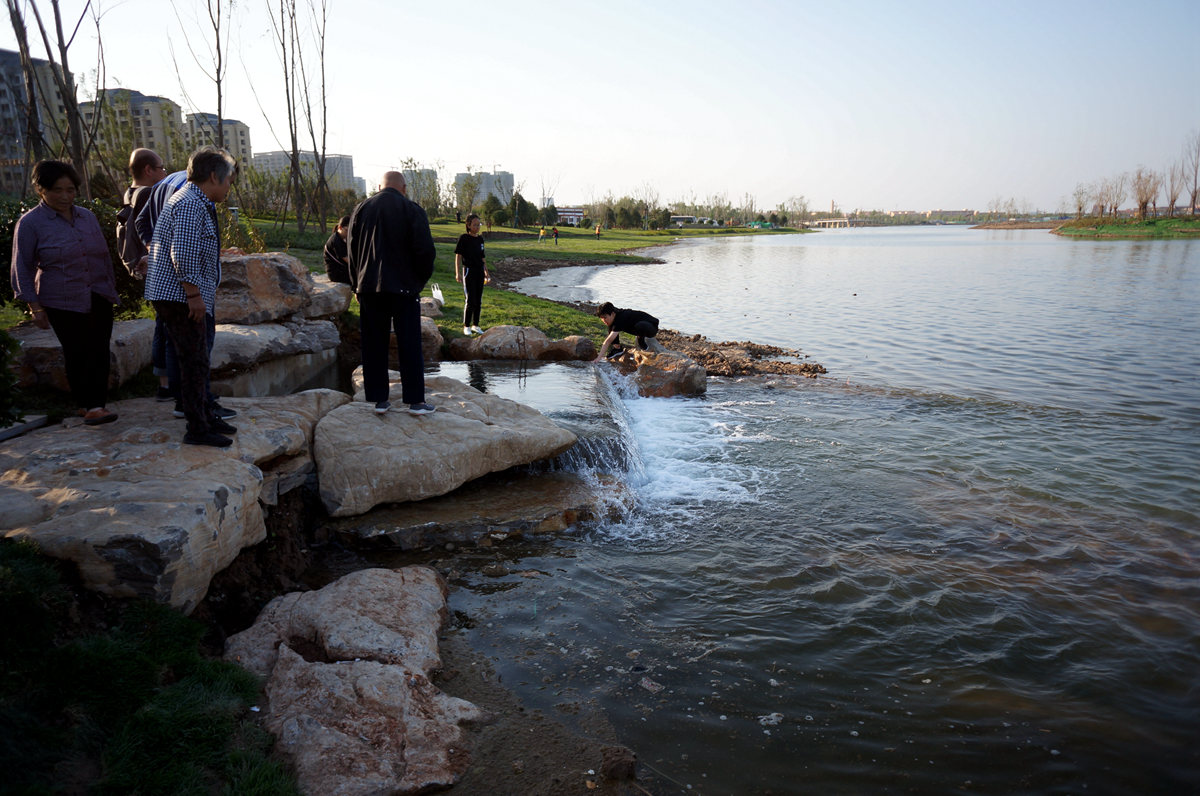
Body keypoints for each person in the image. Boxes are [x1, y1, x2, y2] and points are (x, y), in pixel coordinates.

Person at [11, 160, 119, 426]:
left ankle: (94, 403)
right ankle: (91, 406)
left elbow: (103, 257)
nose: (65, 196)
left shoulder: (87, 216)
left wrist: (111, 291)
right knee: (78, 351)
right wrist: (34, 307)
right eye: (57, 190)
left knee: (99, 350)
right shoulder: (31, 223)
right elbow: (21, 266)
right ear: (41, 190)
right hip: (61, 298)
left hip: (98, 293)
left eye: (70, 190)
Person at [144, 146, 239, 447]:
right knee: (193, 361)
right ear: (213, 176)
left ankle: (204, 416)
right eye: (228, 181)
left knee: (197, 359)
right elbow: (182, 254)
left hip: (183, 295)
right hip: (179, 296)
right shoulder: (189, 203)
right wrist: (194, 295)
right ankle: (197, 429)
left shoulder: (197, 201)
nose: (228, 188)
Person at [347, 171, 437, 415]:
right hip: (404, 288)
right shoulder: (412, 210)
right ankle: (415, 401)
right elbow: (426, 251)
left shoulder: (361, 209)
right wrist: (418, 281)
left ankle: (378, 400)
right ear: (404, 188)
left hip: (368, 288)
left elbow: (352, 250)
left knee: (373, 343)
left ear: (379, 187)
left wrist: (356, 283)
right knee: (409, 343)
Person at [118, 148, 173, 402]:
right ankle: (167, 385)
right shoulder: (150, 193)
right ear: (148, 170)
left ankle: (165, 383)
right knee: (169, 328)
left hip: (144, 269)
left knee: (164, 325)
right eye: (162, 168)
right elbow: (158, 231)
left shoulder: (129, 194)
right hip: (157, 269)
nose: (165, 173)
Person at [454, 213, 489, 336]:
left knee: (478, 300)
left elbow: (482, 257)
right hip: (468, 271)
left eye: (478, 224)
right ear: (468, 225)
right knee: (470, 299)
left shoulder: (480, 239)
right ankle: (467, 326)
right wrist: (458, 273)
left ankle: (476, 325)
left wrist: (486, 273)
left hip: (479, 271)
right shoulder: (463, 238)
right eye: (475, 225)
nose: (477, 227)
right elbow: (458, 256)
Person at [594, 301, 660, 360]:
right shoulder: (613, 317)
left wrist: (598, 358)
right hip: (636, 326)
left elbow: (608, 341)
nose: (604, 320)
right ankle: (617, 349)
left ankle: (643, 344)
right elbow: (611, 335)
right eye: (601, 318)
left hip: (652, 327)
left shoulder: (621, 318)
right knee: (612, 328)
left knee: (639, 326)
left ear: (613, 313)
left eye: (605, 317)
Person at [323, 214, 351, 285]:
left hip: (342, 270)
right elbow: (347, 260)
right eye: (347, 230)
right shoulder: (336, 240)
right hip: (336, 274)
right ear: (340, 227)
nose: (349, 233)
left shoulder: (342, 238)